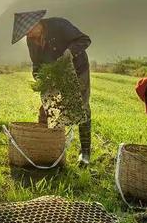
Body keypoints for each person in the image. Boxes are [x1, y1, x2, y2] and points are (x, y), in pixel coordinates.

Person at [12, 10, 92, 166]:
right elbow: (36, 64)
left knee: (82, 107)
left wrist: (69, 52)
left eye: (28, 31)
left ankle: (85, 152)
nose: (28, 36)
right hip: (55, 75)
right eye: (25, 34)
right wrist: (40, 78)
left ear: (36, 23)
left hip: (77, 69)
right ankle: (49, 148)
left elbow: (85, 40)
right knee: (49, 109)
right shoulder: (31, 41)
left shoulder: (59, 25)